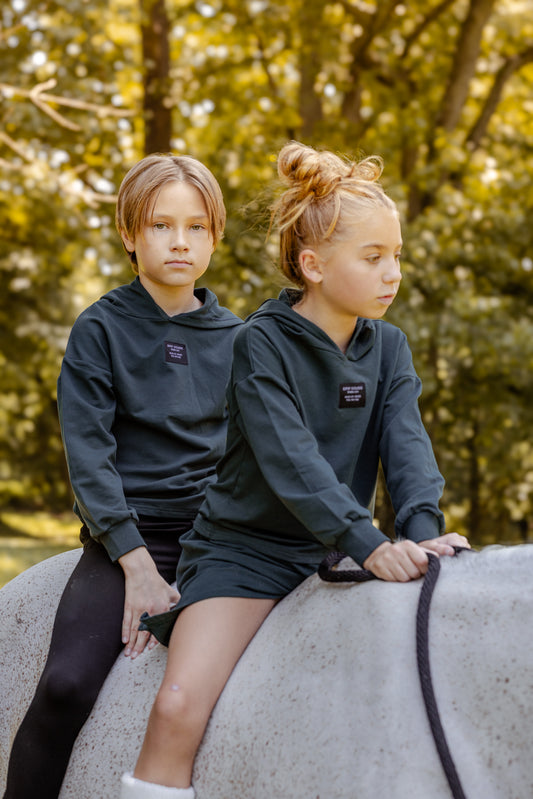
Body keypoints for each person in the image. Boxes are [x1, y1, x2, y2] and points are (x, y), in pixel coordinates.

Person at [119, 141, 470, 799]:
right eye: (373, 257)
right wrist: (369, 543)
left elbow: (407, 448)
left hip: (333, 551)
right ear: (313, 265)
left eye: (397, 256)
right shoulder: (260, 343)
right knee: (176, 705)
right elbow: (290, 461)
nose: (392, 273)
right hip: (246, 555)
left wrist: (421, 534)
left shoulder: (389, 347)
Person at [2, 153, 242, 799]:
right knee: (64, 686)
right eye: (161, 224)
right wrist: (135, 564)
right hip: (128, 542)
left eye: (196, 227)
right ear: (130, 234)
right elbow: (89, 455)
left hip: (222, 541)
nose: (180, 241)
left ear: (215, 237)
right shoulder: (100, 328)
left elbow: (262, 456)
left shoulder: (242, 339)